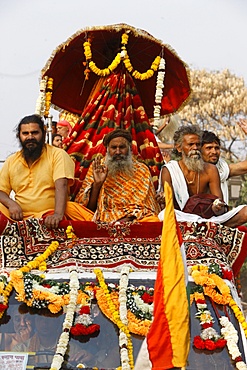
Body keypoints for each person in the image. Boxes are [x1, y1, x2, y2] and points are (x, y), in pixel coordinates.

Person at [0, 114, 93, 229]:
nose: (30, 137)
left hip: (50, 213)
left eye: (34, 133)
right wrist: (11, 204)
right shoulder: (11, 161)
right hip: (19, 216)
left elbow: (62, 185)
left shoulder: (57, 155)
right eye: (25, 133)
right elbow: (1, 191)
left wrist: (57, 215)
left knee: (60, 220)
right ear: (19, 136)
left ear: (43, 134)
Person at [158, 125, 247, 227]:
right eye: (190, 144)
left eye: (198, 144)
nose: (195, 148)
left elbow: (221, 205)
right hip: (182, 218)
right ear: (179, 148)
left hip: (210, 219)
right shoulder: (169, 170)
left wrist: (217, 208)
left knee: (245, 212)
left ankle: (204, 228)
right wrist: (162, 200)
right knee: (164, 215)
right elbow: (168, 204)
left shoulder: (211, 170)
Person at [75, 128, 161, 222]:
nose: (118, 152)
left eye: (122, 147)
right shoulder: (98, 167)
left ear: (129, 148)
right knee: (70, 207)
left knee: (153, 220)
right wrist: (97, 185)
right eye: (114, 147)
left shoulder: (141, 170)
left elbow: (147, 207)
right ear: (107, 149)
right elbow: (89, 208)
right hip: (101, 217)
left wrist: (122, 221)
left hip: (132, 220)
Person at [13, 313, 94, 367]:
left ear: (57, 322)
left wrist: (90, 361)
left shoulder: (72, 349)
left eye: (49, 319)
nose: (45, 323)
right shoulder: (21, 350)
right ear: (35, 322)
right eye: (41, 319)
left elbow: (88, 365)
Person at [201, 130, 247, 203]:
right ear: (199, 150)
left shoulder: (223, 170)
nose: (214, 152)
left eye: (216, 148)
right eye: (209, 148)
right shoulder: (191, 173)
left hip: (221, 213)